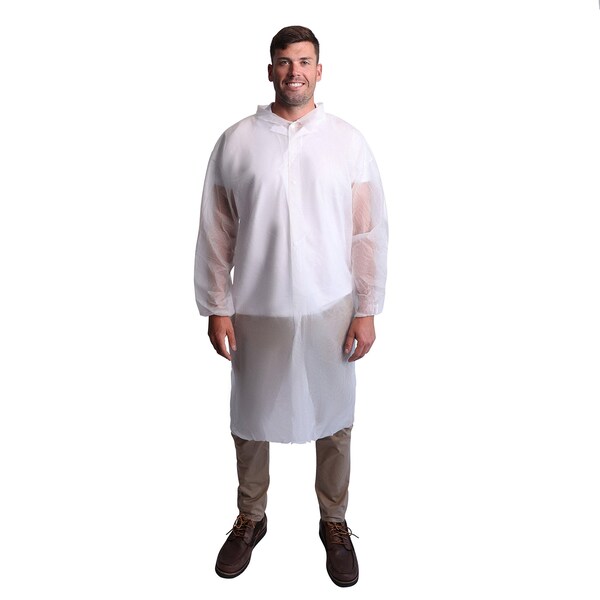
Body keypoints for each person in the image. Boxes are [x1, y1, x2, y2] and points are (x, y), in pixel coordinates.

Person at [194, 25, 388, 587]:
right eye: (284, 61)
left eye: (304, 61)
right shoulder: (237, 142)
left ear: (319, 71)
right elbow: (217, 231)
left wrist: (367, 307)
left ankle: (334, 520)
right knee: (251, 418)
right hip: (258, 303)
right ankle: (251, 516)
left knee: (335, 419)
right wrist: (217, 304)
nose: (294, 71)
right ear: (270, 70)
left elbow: (366, 232)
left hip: (331, 302)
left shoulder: (346, 142)